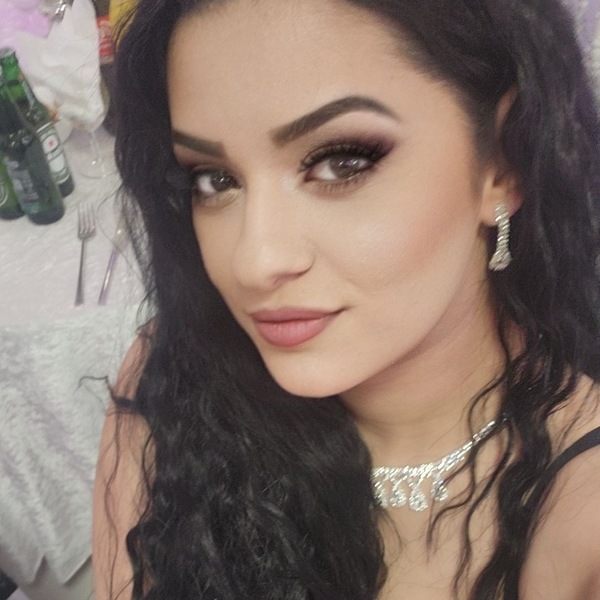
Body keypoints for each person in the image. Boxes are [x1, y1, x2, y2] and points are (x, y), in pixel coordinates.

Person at [92, 0, 600, 598]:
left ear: (503, 163)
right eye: (214, 179)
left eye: (340, 162)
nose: (255, 262)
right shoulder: (174, 370)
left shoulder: (581, 516)